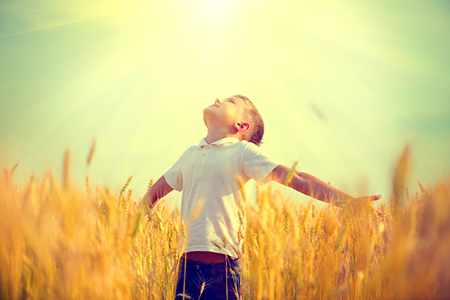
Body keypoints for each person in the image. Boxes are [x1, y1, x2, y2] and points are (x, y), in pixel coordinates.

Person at [139, 94, 381, 300]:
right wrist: (139, 214)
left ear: (241, 126)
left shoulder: (242, 151)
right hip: (186, 268)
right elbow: (155, 191)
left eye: (229, 101)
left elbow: (295, 178)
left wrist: (346, 201)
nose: (218, 99)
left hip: (223, 270)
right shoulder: (190, 155)